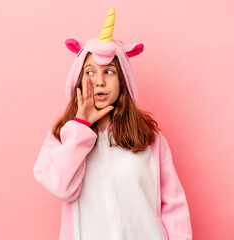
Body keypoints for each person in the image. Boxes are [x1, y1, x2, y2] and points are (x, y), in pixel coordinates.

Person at [33, 7, 192, 240]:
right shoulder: (60, 138)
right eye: (90, 72)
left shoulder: (149, 137)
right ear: (78, 79)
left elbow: (173, 205)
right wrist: (80, 127)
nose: (99, 82)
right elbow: (62, 188)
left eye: (109, 72)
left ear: (123, 80)